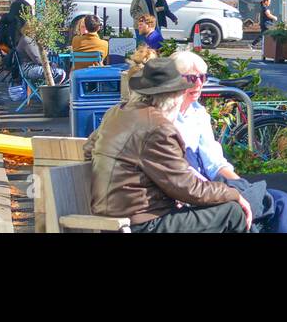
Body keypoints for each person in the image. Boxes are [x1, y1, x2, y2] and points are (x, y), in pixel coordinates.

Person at [82, 58, 251, 233]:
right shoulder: (158, 128)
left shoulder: (116, 112)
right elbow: (189, 189)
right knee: (233, 211)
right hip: (143, 224)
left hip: (113, 218)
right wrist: (233, 193)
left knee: (231, 204)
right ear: (174, 97)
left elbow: (88, 150)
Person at [171, 51, 287, 232]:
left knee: (280, 201)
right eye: (191, 78)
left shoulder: (197, 113)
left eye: (203, 77)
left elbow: (215, 164)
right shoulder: (164, 119)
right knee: (261, 212)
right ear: (173, 80)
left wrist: (242, 187)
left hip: (213, 188)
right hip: (194, 195)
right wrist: (232, 195)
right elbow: (183, 177)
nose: (199, 83)